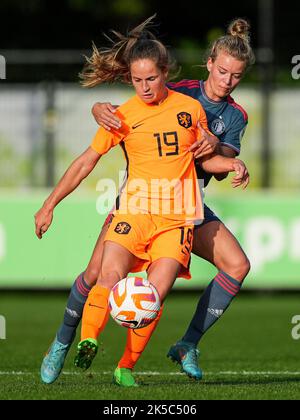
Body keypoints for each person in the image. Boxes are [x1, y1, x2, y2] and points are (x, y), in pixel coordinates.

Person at [36, 17, 250, 387]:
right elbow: (138, 88)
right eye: (223, 71)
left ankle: (178, 347)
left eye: (236, 76)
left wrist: (229, 158)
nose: (227, 80)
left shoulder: (231, 115)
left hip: (186, 205)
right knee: (95, 276)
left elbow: (211, 161)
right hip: (138, 203)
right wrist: (98, 108)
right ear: (210, 63)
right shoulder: (176, 90)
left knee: (229, 268)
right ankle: (63, 341)